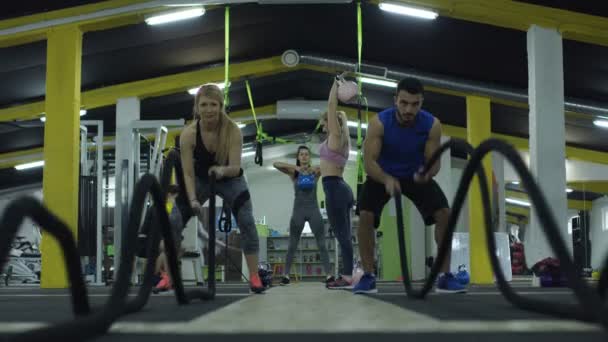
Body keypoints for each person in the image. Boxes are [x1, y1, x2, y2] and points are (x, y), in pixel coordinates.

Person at [354, 77, 466, 294]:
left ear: (421, 103)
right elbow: (369, 164)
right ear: (395, 100)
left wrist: (426, 174)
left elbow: (434, 163)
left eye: (415, 104)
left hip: (415, 176)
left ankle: (444, 275)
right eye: (404, 103)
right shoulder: (379, 122)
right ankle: (368, 276)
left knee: (444, 213)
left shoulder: (432, 125)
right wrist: (387, 179)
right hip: (382, 176)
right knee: (365, 215)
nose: (409, 109)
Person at [179, 83, 265, 294]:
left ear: (220, 106)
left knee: (246, 221)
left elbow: (235, 168)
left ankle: (254, 276)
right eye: (204, 105)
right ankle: (168, 275)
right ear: (197, 107)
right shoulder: (188, 135)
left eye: (213, 104)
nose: (209, 109)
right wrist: (192, 200)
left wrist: (221, 170)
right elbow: (188, 174)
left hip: (229, 178)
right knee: (173, 219)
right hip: (199, 179)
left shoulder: (233, 131)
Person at [273, 145, 333, 286]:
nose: (304, 156)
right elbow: (275, 164)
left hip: (313, 210)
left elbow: (331, 164)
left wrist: (316, 167)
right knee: (292, 245)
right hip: (298, 211)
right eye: (302, 154)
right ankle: (286, 276)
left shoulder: (316, 171)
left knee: (322, 244)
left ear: (309, 157)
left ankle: (329, 275)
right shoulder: (293, 173)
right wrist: (296, 168)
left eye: (307, 154)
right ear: (298, 157)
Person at [320, 77, 355, 289]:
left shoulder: (335, 136)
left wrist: (335, 84)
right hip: (341, 188)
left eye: (325, 121)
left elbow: (332, 105)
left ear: (330, 122)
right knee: (345, 236)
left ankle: (347, 277)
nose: (323, 124)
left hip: (334, 189)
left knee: (343, 238)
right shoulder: (343, 141)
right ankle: (348, 274)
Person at [154, 184, 187, 292]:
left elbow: (175, 226)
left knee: (166, 253)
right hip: (168, 240)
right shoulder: (169, 206)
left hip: (173, 240)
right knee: (164, 254)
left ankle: (165, 278)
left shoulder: (175, 207)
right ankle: (164, 278)